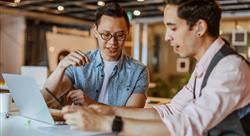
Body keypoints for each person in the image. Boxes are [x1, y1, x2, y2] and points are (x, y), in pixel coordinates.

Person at [62, 0, 250, 135]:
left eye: (173, 28)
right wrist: (109, 111)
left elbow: (188, 125)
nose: (167, 37)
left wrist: (106, 123)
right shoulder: (207, 65)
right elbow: (170, 111)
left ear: (199, 27)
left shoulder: (229, 68)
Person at [42, 3, 149, 108]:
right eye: (106, 34)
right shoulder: (79, 64)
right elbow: (46, 97)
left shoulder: (138, 71)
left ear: (128, 32)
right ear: (95, 31)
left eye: (120, 35)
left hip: (115, 126)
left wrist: (92, 104)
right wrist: (61, 67)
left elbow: (133, 113)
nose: (112, 42)